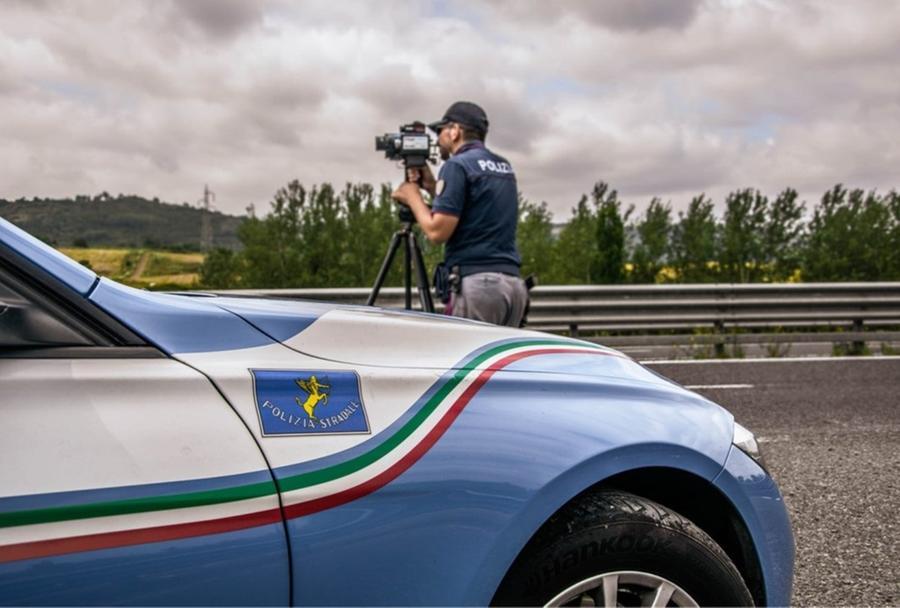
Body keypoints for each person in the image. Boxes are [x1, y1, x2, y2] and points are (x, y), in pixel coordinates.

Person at [391, 101, 528, 327]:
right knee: (496, 363)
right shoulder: (503, 166)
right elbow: (474, 210)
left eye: (440, 131)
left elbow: (437, 231)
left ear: (455, 131)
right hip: (513, 286)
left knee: (469, 361)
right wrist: (433, 187)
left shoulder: (457, 165)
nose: (438, 139)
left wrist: (412, 196)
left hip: (479, 287)